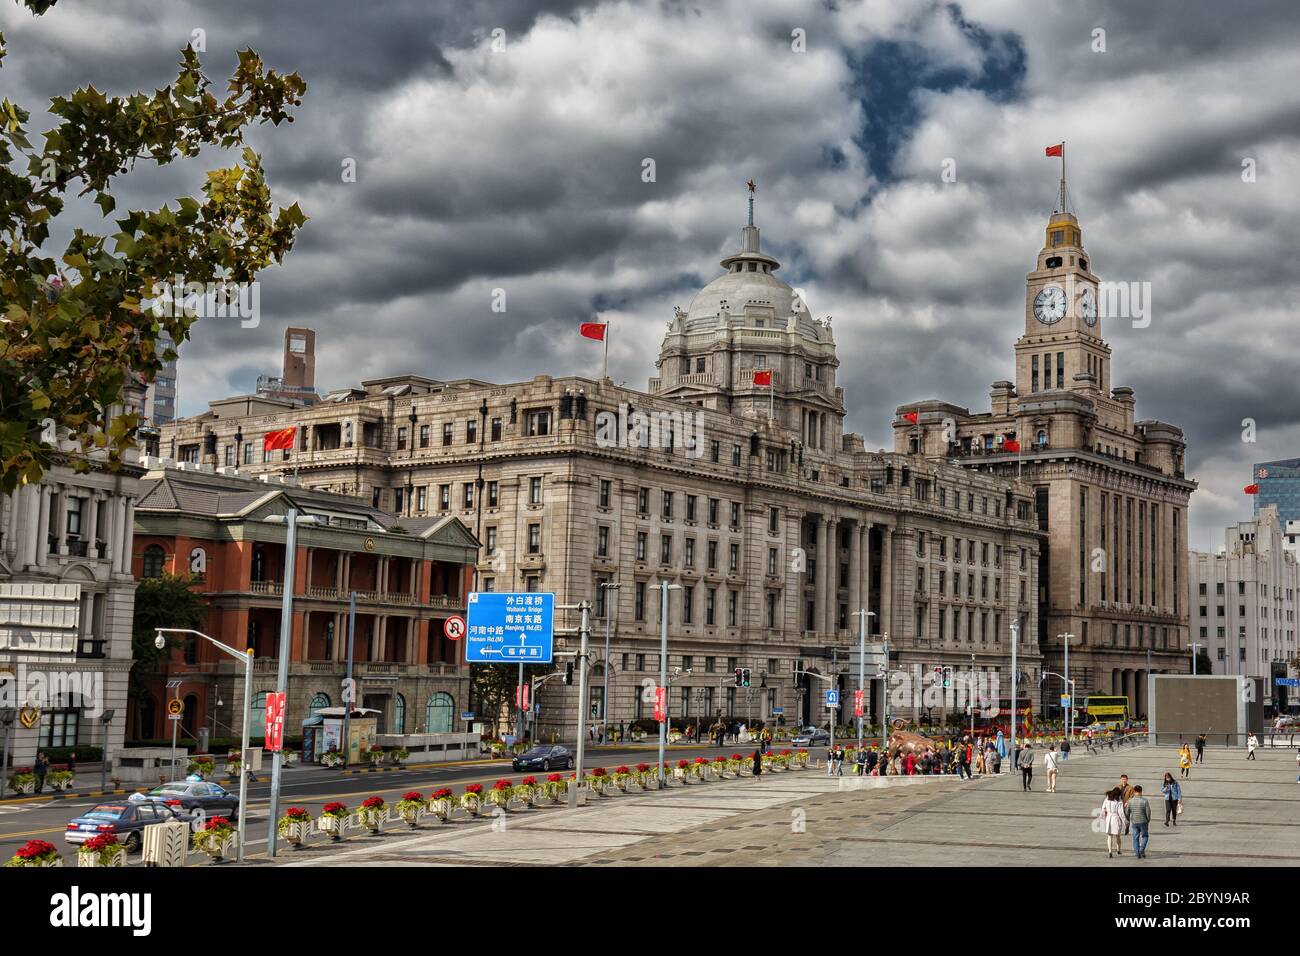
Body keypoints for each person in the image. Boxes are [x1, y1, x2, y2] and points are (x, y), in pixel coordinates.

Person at [1127, 785, 1152, 858]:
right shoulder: (1144, 800)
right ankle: (1142, 849)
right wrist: (1148, 819)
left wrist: (1128, 818)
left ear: (1134, 791)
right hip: (1143, 821)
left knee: (1135, 837)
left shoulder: (1130, 801)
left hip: (1134, 822)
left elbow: (1127, 812)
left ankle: (1137, 853)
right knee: (1145, 836)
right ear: (1141, 791)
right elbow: (1148, 812)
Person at [1101, 787, 1125, 858]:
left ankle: (1110, 851)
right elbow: (1121, 813)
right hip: (1116, 818)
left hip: (1109, 818)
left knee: (1109, 836)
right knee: (1118, 836)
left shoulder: (1107, 798)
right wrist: (1125, 822)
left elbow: (1103, 808)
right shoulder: (1119, 801)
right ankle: (1118, 850)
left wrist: (1103, 817)